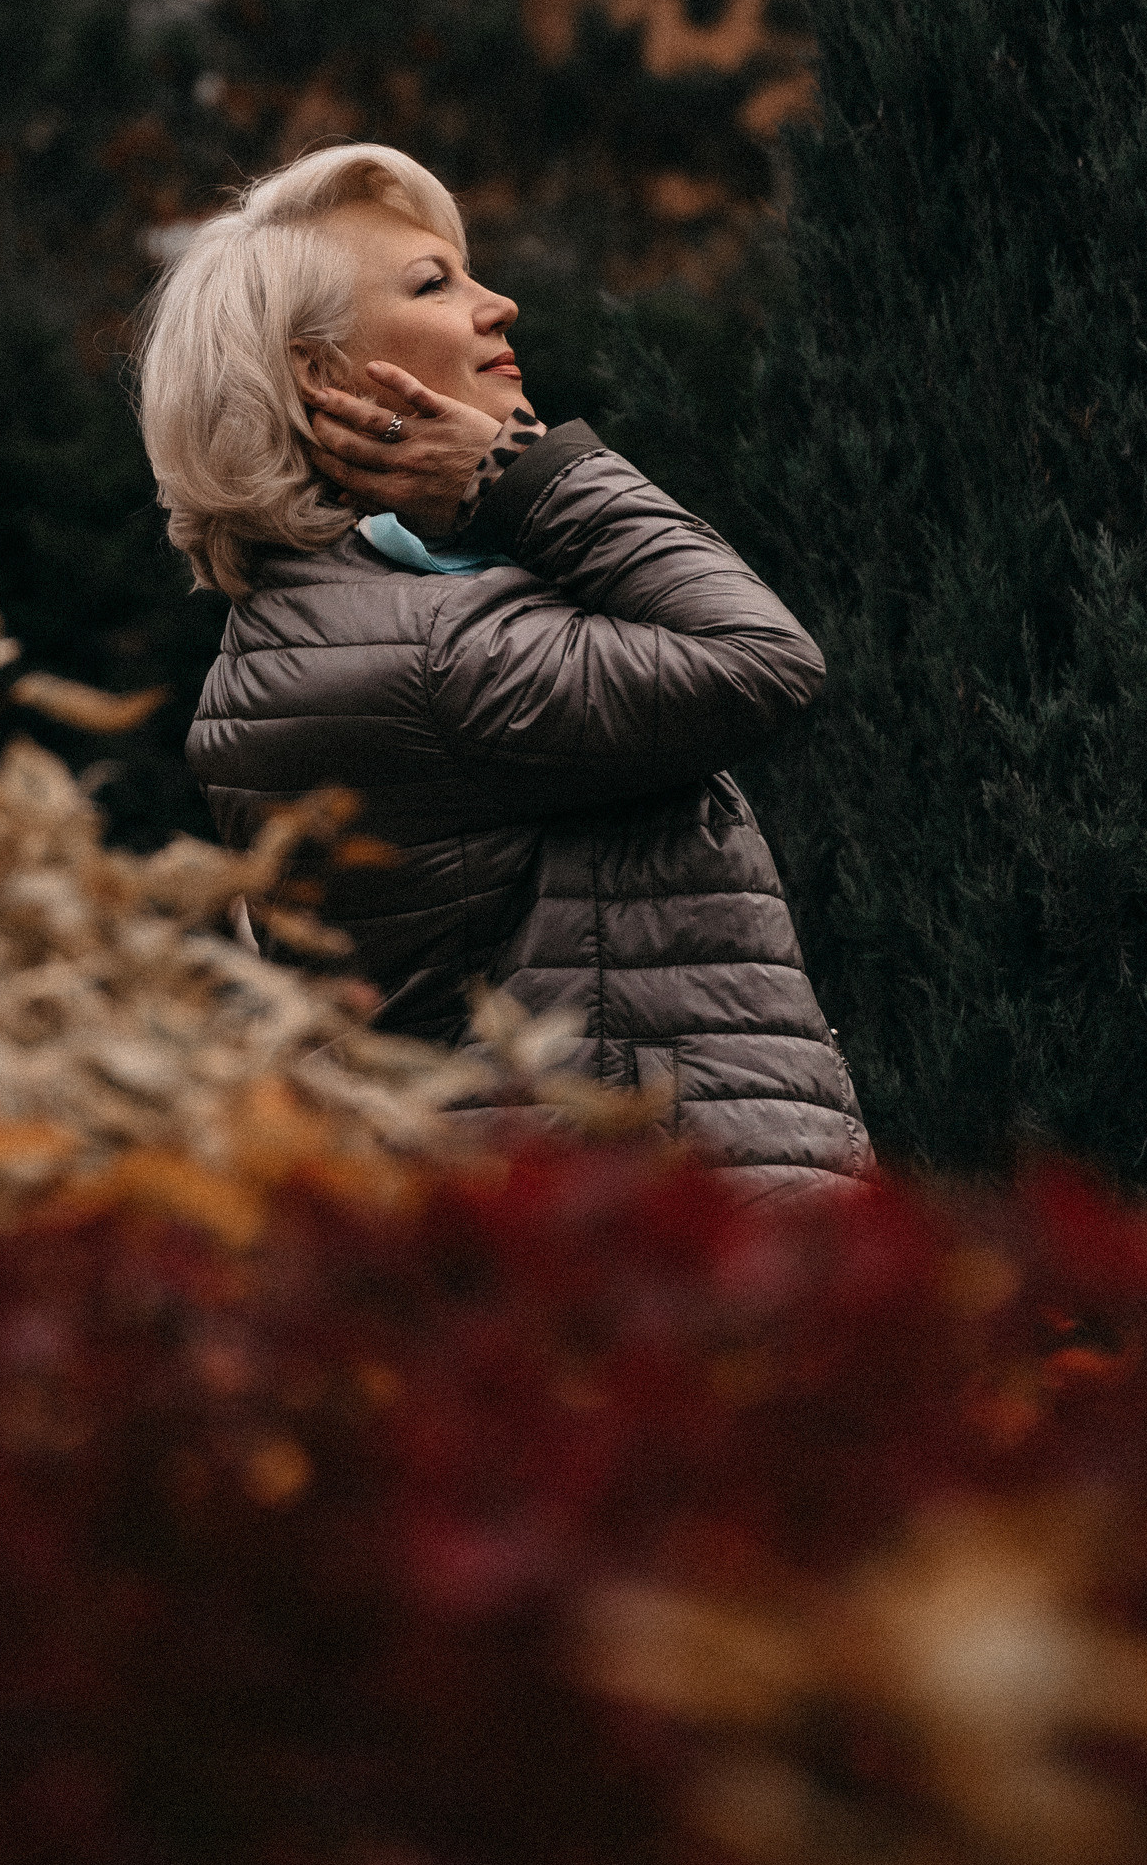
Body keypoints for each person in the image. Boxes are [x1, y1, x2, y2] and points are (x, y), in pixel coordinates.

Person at [137, 140, 871, 1190]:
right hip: (655, 1255)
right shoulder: (428, 649)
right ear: (319, 371)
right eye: (436, 283)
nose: (501, 304)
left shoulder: (362, 621)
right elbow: (760, 656)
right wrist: (514, 472)